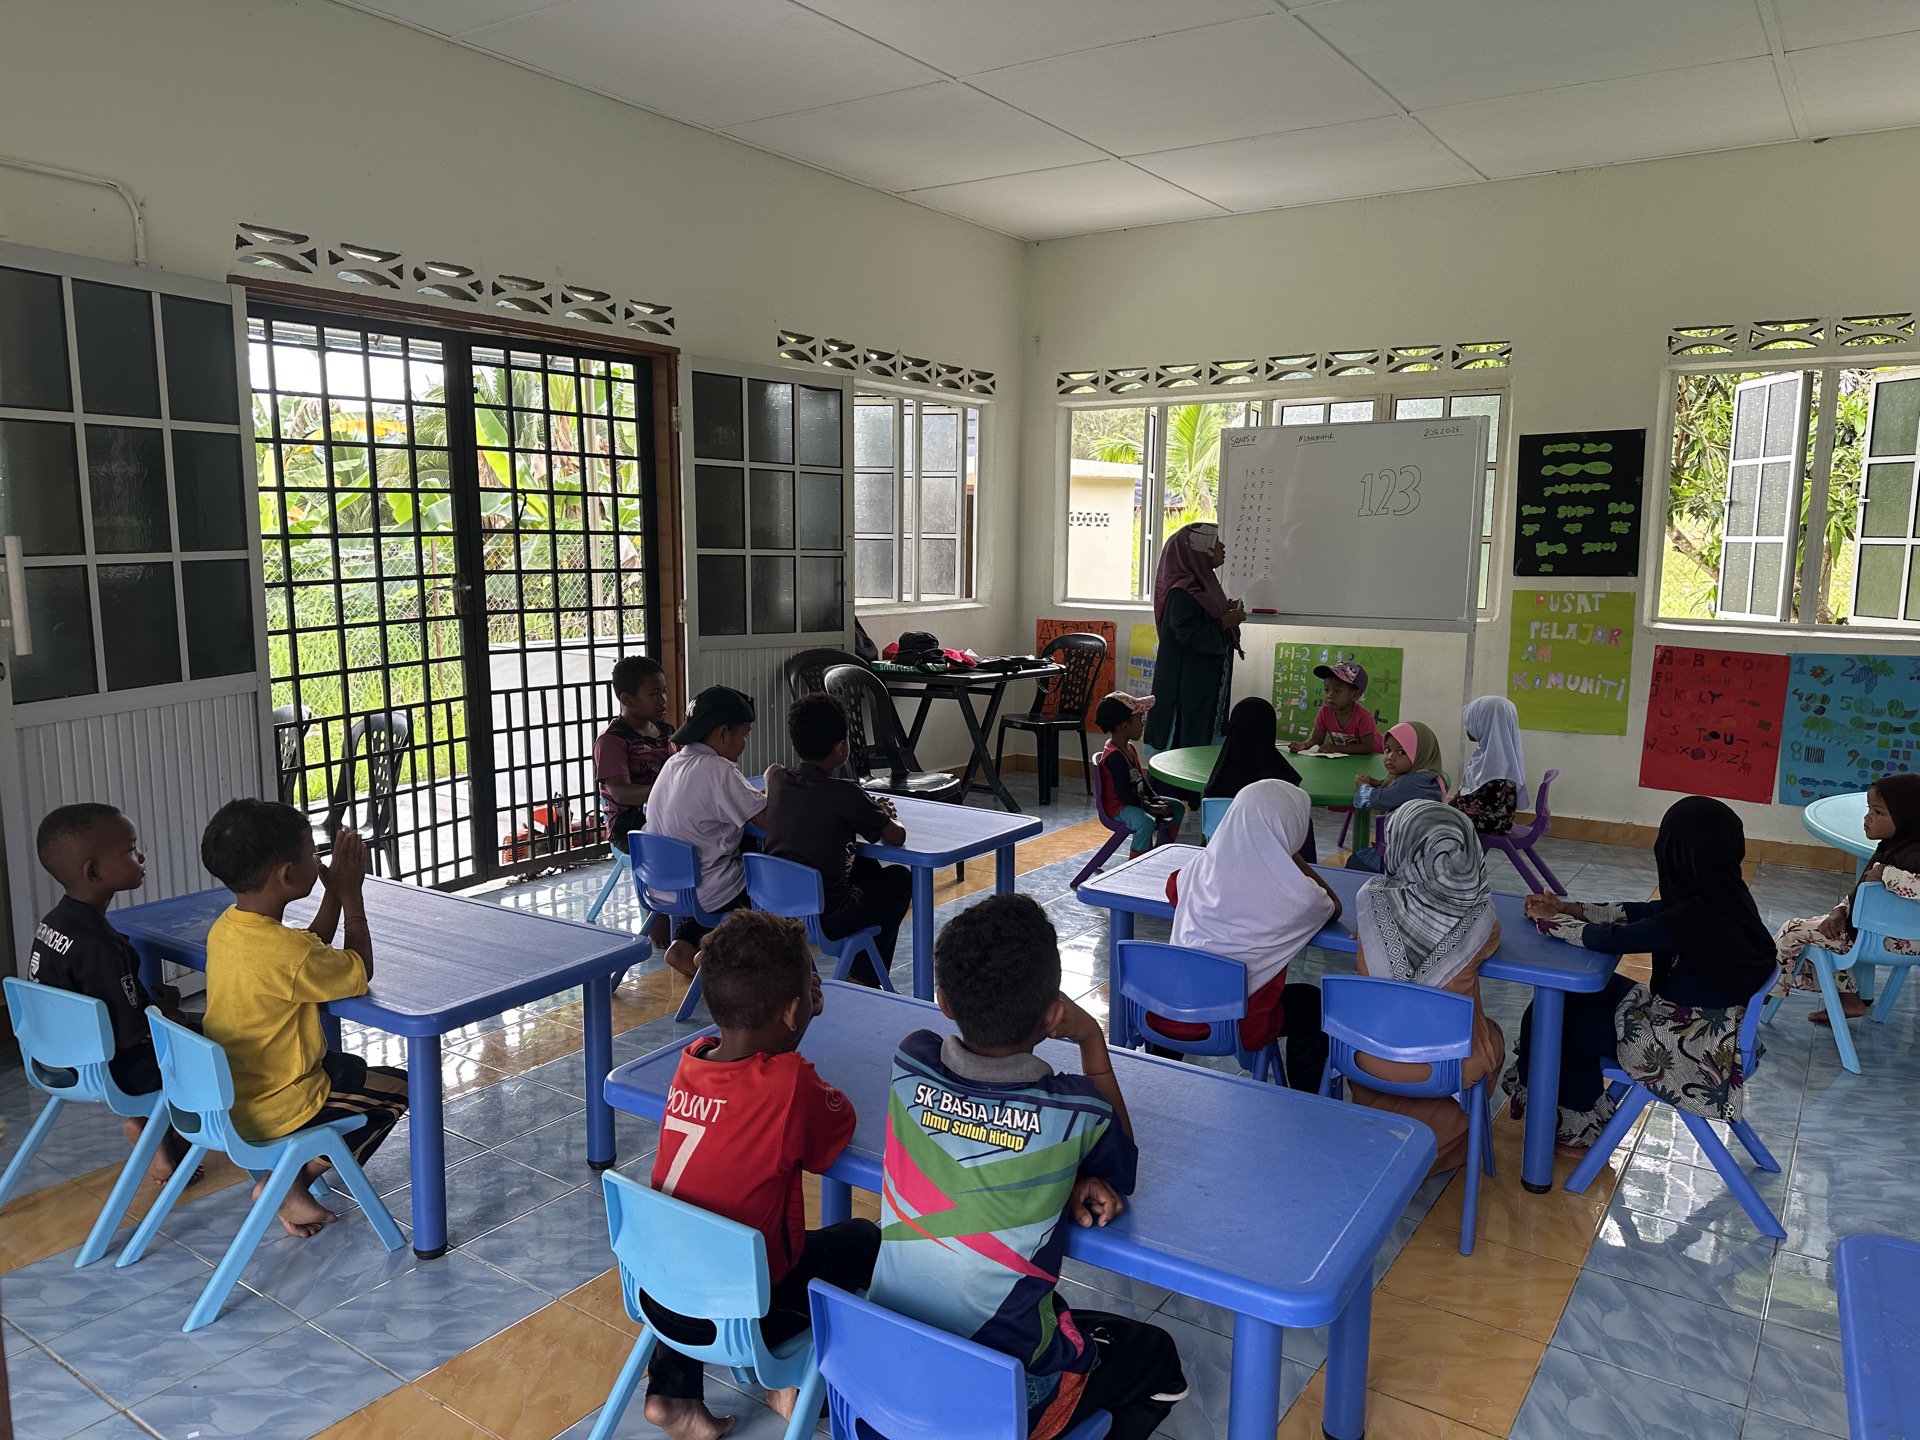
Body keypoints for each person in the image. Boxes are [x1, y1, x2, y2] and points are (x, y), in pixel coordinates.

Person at [872, 894, 1187, 1440]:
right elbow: (1124, 1174)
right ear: (1052, 1014)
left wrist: (1065, 1174)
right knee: (1155, 1353)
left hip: (885, 1374)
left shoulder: (910, 1059)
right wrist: (1091, 1040)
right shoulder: (1075, 1109)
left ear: (943, 1002)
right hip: (1000, 1397)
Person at [639, 910, 878, 1440]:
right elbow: (835, 1129)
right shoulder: (789, 1084)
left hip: (657, 1291)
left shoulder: (693, 1059)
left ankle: (671, 1392)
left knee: (698, 1232)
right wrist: (801, 1023)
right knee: (864, 1240)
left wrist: (793, 1013)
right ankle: (793, 1384)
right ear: (794, 1011)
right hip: (745, 1313)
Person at [1503, 795, 1777, 1150]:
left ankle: (1573, 1124)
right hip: (1717, 1031)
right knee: (1570, 998)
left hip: (1688, 1049)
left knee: (1554, 1019)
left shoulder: (1696, 917)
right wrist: (1569, 908)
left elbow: (1614, 939)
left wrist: (1551, 922)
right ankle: (1564, 1107)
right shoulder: (1723, 896)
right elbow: (1642, 914)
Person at [200, 801, 408, 1238]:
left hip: (233, 1093)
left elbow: (307, 951)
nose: (319, 858)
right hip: (279, 1104)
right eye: (312, 852)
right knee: (405, 1087)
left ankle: (288, 1180)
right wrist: (352, 897)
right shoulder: (286, 954)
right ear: (287, 874)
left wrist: (333, 893)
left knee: (350, 1067)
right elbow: (358, 969)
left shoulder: (229, 928)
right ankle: (290, 1182)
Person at [27, 803, 196, 1181]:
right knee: (217, 1050)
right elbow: (132, 1034)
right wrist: (168, 1012)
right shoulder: (102, 946)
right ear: (93, 871)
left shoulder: (54, 922)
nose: (141, 856)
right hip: (112, 1069)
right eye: (131, 849)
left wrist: (154, 1007)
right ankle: (168, 1138)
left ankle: (153, 1131)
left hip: (55, 1058)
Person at [1349, 801, 1507, 1176]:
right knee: (1493, 1038)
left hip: (1364, 1056)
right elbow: (1485, 943)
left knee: (1394, 1021)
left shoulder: (1369, 899)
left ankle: (1376, 1139)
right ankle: (1436, 1150)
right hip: (1444, 1068)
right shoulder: (1481, 918)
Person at [1159, 779, 1334, 1090]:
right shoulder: (1298, 896)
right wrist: (1286, 852)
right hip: (1238, 1025)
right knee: (1314, 1005)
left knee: (1186, 985)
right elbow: (1332, 907)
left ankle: (1155, 1081)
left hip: (1166, 1011)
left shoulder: (1199, 869)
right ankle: (1305, 1101)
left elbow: (1173, 888)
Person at [763, 692, 911, 987]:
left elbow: (772, 771)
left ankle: (863, 970)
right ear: (841, 747)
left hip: (776, 906)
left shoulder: (779, 781)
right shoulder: (847, 793)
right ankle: (863, 977)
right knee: (899, 879)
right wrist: (881, 812)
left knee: (867, 869)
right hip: (828, 918)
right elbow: (897, 836)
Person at [1771, 772, 1920, 1024]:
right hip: (1902, 943)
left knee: (1793, 930)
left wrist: (1885, 873)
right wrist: (1839, 911)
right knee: (1824, 931)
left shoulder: (1908, 857)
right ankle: (1848, 999)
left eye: (1878, 812)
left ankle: (1765, 991)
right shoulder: (1893, 847)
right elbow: (1862, 893)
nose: (1867, 817)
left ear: (1907, 817)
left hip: (1877, 941)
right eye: (1869, 809)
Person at [644, 686, 769, 980]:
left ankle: (684, 946)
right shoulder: (719, 769)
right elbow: (768, 820)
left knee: (718, 881)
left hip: (663, 886)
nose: (743, 744)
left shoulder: (673, 763)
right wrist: (774, 782)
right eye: (744, 735)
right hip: (705, 890)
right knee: (764, 885)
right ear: (723, 733)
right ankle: (719, 958)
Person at [1145, 522, 1244, 752]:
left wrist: (1224, 613)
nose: (1222, 547)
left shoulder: (1202, 586)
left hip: (1204, 683)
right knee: (1185, 743)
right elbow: (1189, 633)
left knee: (1203, 735)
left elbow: (1204, 618)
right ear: (1199, 551)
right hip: (1187, 687)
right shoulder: (1182, 592)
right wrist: (1225, 621)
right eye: (1216, 542)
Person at [1343, 721, 1448, 873]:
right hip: (1430, 853)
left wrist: (1363, 786)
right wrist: (1380, 783)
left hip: (1406, 860)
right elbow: (1400, 792)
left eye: (1401, 752)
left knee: (1355, 862)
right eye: (1387, 750)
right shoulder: (1430, 777)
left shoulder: (1410, 783)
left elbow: (1365, 800)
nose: (1390, 757)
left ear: (1419, 753)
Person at [593, 654, 674, 850]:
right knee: (683, 837)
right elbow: (622, 793)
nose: (662, 700)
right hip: (628, 825)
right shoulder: (612, 740)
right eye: (654, 694)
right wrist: (669, 790)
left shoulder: (667, 732)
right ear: (627, 699)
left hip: (667, 810)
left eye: (664, 691)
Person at [1094, 692, 1179, 857]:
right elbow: (1124, 795)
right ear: (1125, 726)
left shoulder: (1130, 748)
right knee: (1145, 822)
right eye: (1140, 718)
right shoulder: (1115, 757)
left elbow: (1140, 780)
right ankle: (1137, 862)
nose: (1143, 723)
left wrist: (1155, 799)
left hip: (1134, 800)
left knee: (1177, 807)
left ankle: (1161, 851)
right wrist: (1149, 807)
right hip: (1119, 807)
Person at [1452, 695, 1527, 836]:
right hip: (1484, 816)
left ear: (1484, 723)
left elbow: (1483, 811)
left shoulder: (1496, 768)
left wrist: (1444, 811)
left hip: (1489, 823)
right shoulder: (1490, 756)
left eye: (1471, 720)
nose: (1467, 727)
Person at [1288, 662, 1383, 756]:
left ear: (1355, 695)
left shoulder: (1363, 717)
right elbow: (1317, 738)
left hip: (1376, 758)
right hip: (1349, 758)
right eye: (1327, 690)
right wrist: (1304, 745)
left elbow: (1367, 747)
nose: (1330, 695)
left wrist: (1337, 748)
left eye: (1337, 691)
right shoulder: (1324, 712)